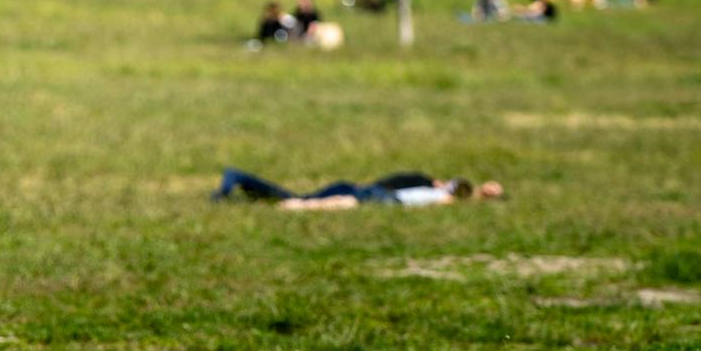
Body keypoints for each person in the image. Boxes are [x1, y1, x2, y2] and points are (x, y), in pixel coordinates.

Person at [214, 168, 504, 209]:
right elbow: (461, 194)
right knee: (296, 201)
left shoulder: (436, 191)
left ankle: (242, 182)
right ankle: (239, 178)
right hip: (364, 192)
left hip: (362, 190)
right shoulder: (432, 186)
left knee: (294, 199)